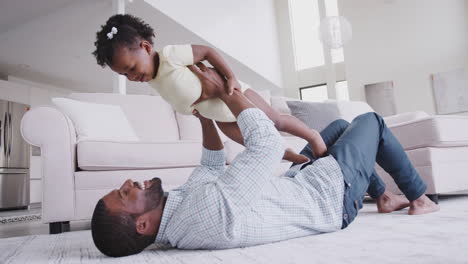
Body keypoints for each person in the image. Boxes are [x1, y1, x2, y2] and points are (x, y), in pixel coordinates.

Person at [90, 63, 439, 257]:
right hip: (330, 198)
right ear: (141, 225)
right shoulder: (205, 214)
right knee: (371, 121)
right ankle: (419, 198)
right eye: (124, 195)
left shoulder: (176, 210)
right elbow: (268, 144)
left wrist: (202, 115)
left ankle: (383, 196)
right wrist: (228, 93)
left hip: (299, 183)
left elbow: (212, 164)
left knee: (338, 127)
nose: (127, 184)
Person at [92, 14, 326, 163]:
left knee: (275, 120)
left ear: (145, 47)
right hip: (218, 116)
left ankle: (312, 136)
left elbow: (206, 51)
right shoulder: (153, 81)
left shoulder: (170, 56)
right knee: (253, 143)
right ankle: (290, 156)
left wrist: (231, 77)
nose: (131, 77)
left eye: (131, 68)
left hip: (234, 95)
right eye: (124, 75)